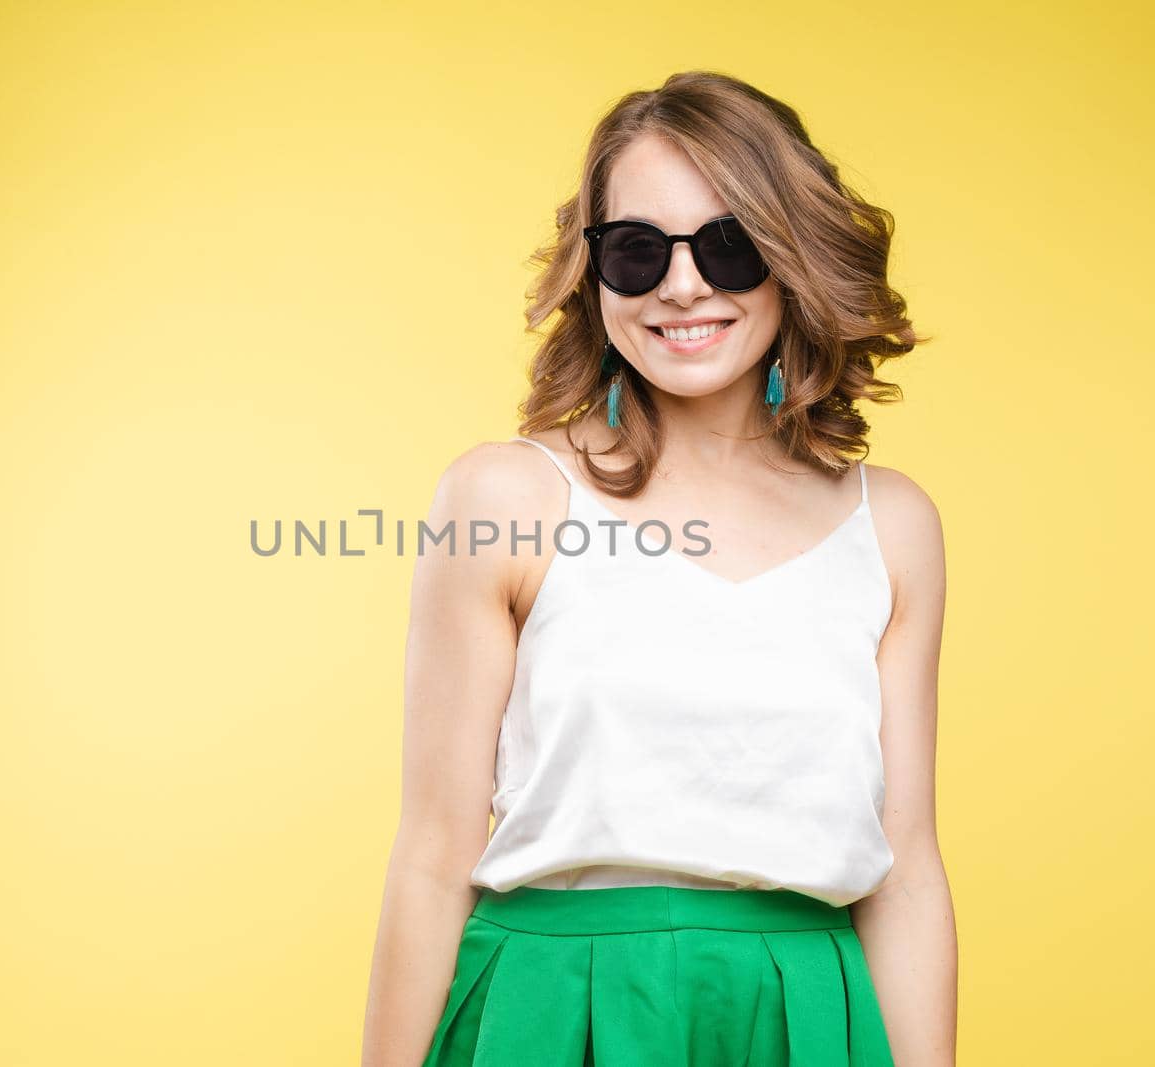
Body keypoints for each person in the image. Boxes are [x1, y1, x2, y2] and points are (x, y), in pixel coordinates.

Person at [362, 70, 956, 1067]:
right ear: (592, 276)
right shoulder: (506, 498)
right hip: (549, 1013)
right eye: (637, 250)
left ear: (792, 251)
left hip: (803, 1016)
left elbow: (906, 870)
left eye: (728, 243)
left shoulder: (890, 524)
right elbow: (431, 852)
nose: (683, 285)